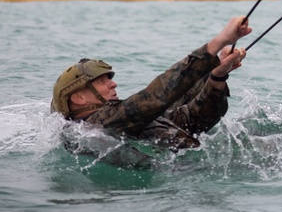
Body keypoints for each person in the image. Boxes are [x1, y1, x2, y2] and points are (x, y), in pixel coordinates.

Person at [51, 16, 252, 149]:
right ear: (78, 97)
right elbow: (158, 95)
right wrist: (220, 41)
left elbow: (195, 120)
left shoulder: (125, 120)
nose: (113, 85)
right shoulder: (97, 125)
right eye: (102, 82)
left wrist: (217, 75)